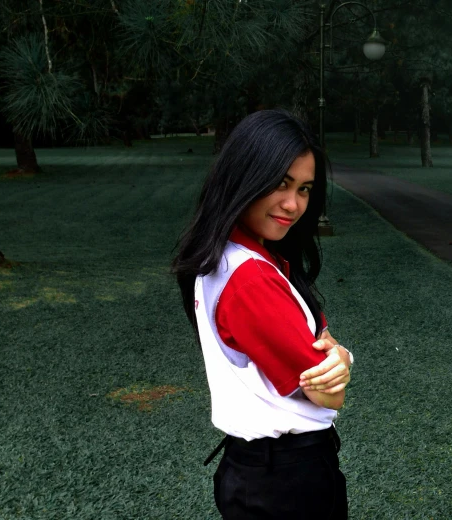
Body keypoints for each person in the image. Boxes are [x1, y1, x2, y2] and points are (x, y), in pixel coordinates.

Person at [170, 109, 354, 519]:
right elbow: (329, 393)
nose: (293, 204)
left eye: (305, 189)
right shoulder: (250, 278)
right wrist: (341, 359)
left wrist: (337, 355)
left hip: (257, 472)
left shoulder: (227, 255)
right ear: (244, 177)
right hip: (288, 482)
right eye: (280, 183)